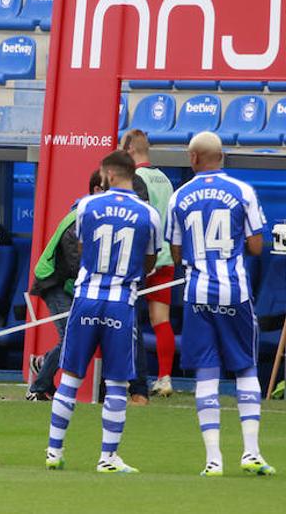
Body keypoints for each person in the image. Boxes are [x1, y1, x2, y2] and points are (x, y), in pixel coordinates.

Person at [44, 151, 159, 474]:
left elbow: (82, 248)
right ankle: (107, 457)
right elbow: (149, 261)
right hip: (121, 301)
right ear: (132, 173)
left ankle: (54, 450)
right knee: (118, 381)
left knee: (70, 376)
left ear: (108, 174)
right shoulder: (148, 214)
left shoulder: (86, 206)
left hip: (86, 297)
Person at [167, 131, 275, 477]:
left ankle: (213, 459)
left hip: (197, 293)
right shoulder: (242, 191)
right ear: (222, 155)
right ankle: (251, 452)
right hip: (234, 292)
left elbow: (177, 251)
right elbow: (257, 246)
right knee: (245, 368)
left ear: (195, 158)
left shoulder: (179, 196)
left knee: (207, 373)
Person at [27, 169, 104, 401]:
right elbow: (74, 263)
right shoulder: (79, 218)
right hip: (54, 282)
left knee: (74, 335)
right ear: (97, 190)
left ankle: (42, 365)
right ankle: (37, 388)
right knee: (71, 336)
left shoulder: (88, 214)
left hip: (65, 282)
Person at [123, 130, 177, 399]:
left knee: (126, 319)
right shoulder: (165, 179)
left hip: (144, 258)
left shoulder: (135, 179)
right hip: (166, 257)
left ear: (130, 149)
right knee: (161, 320)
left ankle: (127, 377)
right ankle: (164, 378)